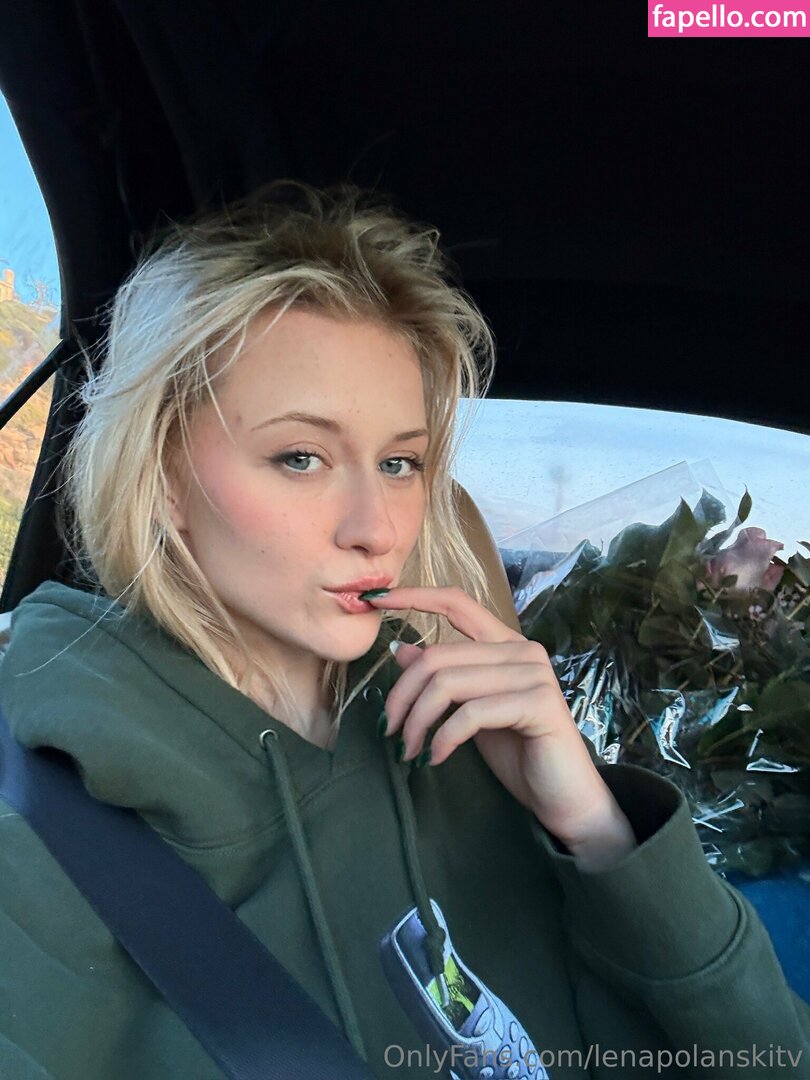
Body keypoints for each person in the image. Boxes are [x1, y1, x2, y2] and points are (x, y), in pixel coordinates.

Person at [0, 180, 807, 1080]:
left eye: (399, 462)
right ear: (160, 479)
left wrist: (594, 826)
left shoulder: (463, 734)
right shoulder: (47, 829)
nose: (376, 527)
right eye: (300, 457)